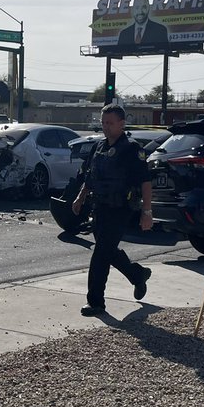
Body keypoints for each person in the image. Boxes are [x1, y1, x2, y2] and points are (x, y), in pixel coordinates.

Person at [72, 102, 153, 315]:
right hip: (100, 206)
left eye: (110, 122)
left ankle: (96, 302)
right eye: (103, 122)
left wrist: (147, 212)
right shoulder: (99, 147)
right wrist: (80, 197)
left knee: (100, 254)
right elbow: (90, 176)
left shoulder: (132, 149)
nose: (106, 126)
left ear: (122, 124)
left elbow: (145, 182)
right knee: (107, 251)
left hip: (120, 208)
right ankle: (137, 275)